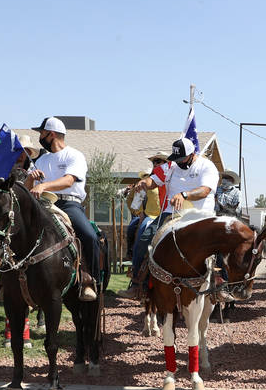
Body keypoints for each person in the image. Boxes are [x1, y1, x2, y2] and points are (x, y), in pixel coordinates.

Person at [123, 137, 220, 299]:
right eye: (177, 158)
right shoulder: (171, 166)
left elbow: (205, 190)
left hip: (200, 215)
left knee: (224, 241)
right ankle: (138, 284)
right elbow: (153, 180)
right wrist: (144, 183)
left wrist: (185, 195)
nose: (179, 162)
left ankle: (222, 283)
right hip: (171, 214)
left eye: (182, 158)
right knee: (144, 237)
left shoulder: (207, 166)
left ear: (192, 154)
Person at [23, 117, 99, 301]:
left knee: (90, 236)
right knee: (17, 229)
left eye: (41, 133)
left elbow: (69, 180)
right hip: (44, 205)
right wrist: (32, 180)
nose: (40, 137)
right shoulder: (41, 160)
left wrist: (44, 186)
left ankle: (89, 280)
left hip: (69, 204)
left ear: (52, 134)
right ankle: (9, 281)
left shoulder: (74, 155)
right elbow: (27, 189)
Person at [0, 136, 41, 304]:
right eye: (19, 151)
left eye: (25, 152)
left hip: (30, 212)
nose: (21, 155)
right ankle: (4, 287)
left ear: (29, 153)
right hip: (12, 214)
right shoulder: (6, 169)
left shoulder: (35, 168)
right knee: (5, 247)